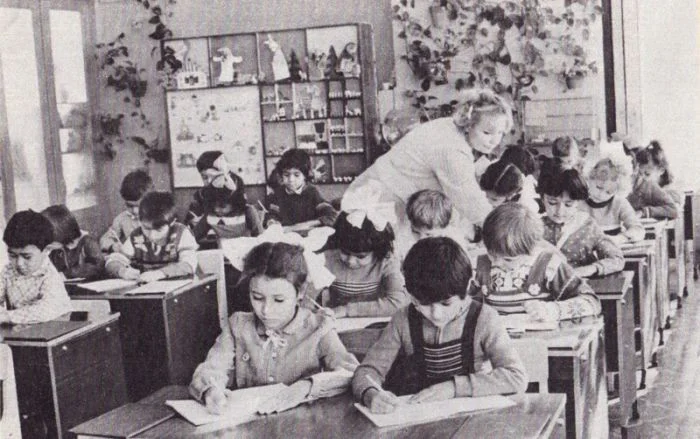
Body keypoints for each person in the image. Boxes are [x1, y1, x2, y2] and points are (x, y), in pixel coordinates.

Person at [352, 237, 527, 413]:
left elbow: (516, 377)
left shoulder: (485, 318)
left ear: (467, 287)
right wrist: (371, 394)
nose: (436, 314)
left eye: (446, 303)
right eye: (424, 303)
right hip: (418, 414)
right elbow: (367, 371)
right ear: (409, 293)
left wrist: (453, 388)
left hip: (470, 414)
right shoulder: (402, 320)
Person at [189, 242, 358, 414]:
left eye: (279, 300)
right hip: (248, 420)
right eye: (257, 297)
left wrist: (306, 386)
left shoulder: (319, 327)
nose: (266, 310)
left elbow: (348, 372)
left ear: (300, 293)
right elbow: (213, 367)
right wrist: (211, 390)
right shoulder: (238, 325)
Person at [343, 89, 513, 234]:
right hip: (380, 200)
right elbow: (470, 202)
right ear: (469, 125)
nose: (494, 141)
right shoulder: (452, 149)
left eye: (500, 133)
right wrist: (504, 229)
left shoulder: (449, 126)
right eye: (487, 133)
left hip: (380, 189)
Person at [470, 203, 601, 320]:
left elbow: (591, 302)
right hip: (499, 338)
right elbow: (463, 302)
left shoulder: (549, 266)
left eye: (508, 260)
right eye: (491, 254)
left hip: (544, 338)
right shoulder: (481, 265)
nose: (497, 263)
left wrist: (551, 310)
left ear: (533, 251)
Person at [539, 168, 624, 278]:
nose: (560, 211)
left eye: (568, 204)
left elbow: (617, 259)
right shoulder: (533, 227)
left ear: (578, 202)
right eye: (552, 202)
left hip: (580, 285)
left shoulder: (588, 226)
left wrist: (590, 269)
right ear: (542, 199)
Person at [321, 210, 408, 317]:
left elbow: (398, 303)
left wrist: (346, 310)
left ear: (377, 252)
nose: (351, 261)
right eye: (345, 252)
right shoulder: (327, 257)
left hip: (374, 320)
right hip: (334, 320)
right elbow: (308, 299)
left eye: (360, 256)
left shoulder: (387, 261)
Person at [105, 191, 197, 282]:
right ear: (140, 221)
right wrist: (122, 271)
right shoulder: (137, 235)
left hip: (178, 287)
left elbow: (189, 264)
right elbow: (113, 260)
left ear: (172, 222)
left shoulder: (181, 233)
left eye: (159, 230)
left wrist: (160, 273)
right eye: (146, 228)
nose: (152, 236)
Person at [0, 210, 72, 324]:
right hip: (23, 328)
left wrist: (6, 316)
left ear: (47, 250)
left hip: (55, 327)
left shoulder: (49, 275)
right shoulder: (8, 271)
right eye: (13, 255)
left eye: (27, 257)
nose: (19, 263)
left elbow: (47, 309)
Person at [264, 149, 337, 228]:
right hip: (287, 234)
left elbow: (331, 216)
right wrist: (271, 221)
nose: (291, 180)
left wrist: (307, 224)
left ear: (305, 176)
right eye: (286, 175)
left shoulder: (312, 192)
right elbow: (272, 214)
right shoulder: (278, 193)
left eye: (296, 175)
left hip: (308, 233)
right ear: (281, 175)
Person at [584, 149, 645, 244]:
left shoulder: (619, 202)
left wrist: (621, 238)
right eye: (598, 187)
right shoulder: (578, 201)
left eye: (609, 192)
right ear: (590, 177)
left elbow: (638, 230)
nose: (601, 195)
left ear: (619, 189)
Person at [399, 190, 471, 262]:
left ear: (444, 228)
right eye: (415, 232)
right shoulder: (405, 238)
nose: (420, 239)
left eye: (428, 234)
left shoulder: (455, 243)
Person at [42, 204, 104, 280]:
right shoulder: (56, 249)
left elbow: (98, 265)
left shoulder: (87, 241)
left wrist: (67, 274)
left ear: (61, 232)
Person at [186, 151, 246, 228]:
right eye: (204, 177)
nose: (208, 181)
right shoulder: (201, 194)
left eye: (212, 176)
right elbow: (191, 216)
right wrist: (193, 220)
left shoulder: (236, 188)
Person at [100, 169, 153, 253]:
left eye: (140, 206)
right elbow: (106, 238)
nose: (135, 211)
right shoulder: (122, 218)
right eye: (129, 206)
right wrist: (112, 246)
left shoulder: (159, 215)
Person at [193, 185, 264, 245]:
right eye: (213, 206)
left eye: (222, 206)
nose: (216, 210)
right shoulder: (210, 215)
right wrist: (214, 242)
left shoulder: (248, 211)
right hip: (223, 251)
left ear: (235, 204)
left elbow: (261, 238)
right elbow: (193, 236)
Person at [627, 147, 678, 219]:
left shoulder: (649, 185)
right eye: (639, 173)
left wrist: (644, 212)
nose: (642, 177)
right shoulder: (633, 182)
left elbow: (673, 211)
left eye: (647, 174)